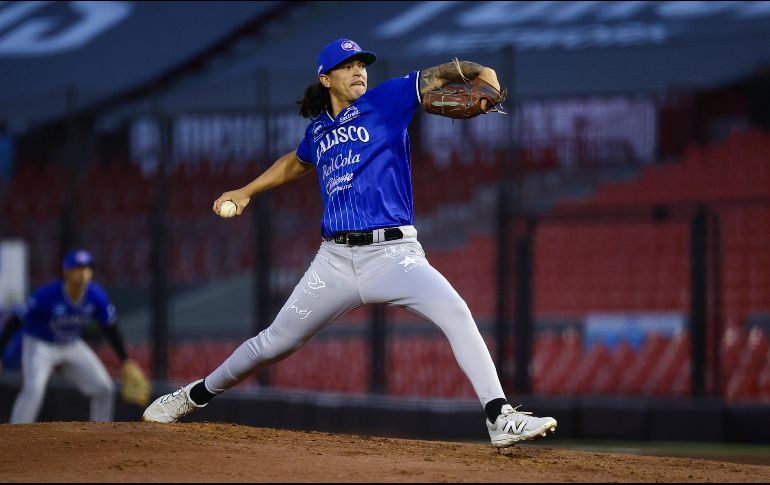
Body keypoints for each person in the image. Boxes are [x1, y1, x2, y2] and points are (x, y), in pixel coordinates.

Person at [143, 39, 557, 449]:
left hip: (394, 255)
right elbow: (294, 163)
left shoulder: (387, 99)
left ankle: (499, 415)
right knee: (274, 343)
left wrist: (483, 72)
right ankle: (193, 395)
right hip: (334, 262)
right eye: (347, 65)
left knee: (455, 311)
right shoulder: (318, 131)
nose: (359, 70)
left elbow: (442, 74)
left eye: (361, 64)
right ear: (325, 79)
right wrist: (246, 190)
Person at [0, 249, 137, 423]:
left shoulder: (96, 296)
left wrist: (125, 360)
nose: (84, 273)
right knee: (34, 388)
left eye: (87, 268)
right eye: (78, 268)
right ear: (66, 271)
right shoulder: (48, 295)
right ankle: (17, 431)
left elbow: (110, 328)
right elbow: (15, 321)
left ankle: (101, 432)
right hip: (40, 344)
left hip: (70, 343)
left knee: (104, 388)